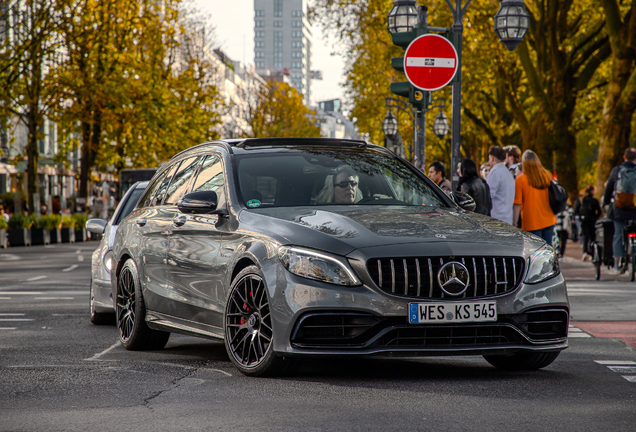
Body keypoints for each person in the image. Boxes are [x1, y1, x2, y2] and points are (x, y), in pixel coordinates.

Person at [602, 147, 636, 274]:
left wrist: (605, 202)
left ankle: (617, 264)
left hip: (619, 208)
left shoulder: (616, 171)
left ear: (624, 157)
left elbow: (609, 188)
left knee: (617, 234)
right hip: (634, 209)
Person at [513, 150, 557, 245]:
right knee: (547, 251)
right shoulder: (546, 175)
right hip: (549, 219)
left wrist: (514, 223)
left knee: (535, 254)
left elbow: (517, 204)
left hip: (531, 222)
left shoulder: (520, 180)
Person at [486, 146, 515, 224]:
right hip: (508, 218)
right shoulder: (508, 173)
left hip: (496, 218)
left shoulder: (494, 173)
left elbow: (488, 196)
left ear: (492, 158)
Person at [575, 185, 601, 261]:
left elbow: (576, 211)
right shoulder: (595, 200)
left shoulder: (582, 200)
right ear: (592, 191)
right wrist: (595, 218)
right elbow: (599, 211)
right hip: (592, 221)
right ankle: (592, 253)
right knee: (592, 237)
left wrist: (580, 218)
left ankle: (585, 252)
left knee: (585, 237)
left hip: (584, 221)